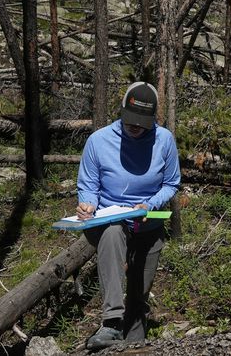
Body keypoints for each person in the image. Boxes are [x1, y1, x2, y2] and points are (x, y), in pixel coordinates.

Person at [77, 82, 181, 349]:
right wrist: (87, 204)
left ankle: (134, 344)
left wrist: (149, 204)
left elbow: (171, 183)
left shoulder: (164, 140)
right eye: (130, 120)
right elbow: (89, 185)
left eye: (142, 123)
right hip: (108, 220)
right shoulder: (98, 141)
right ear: (121, 111)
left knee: (139, 293)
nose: (135, 127)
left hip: (149, 222)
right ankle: (111, 322)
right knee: (113, 234)